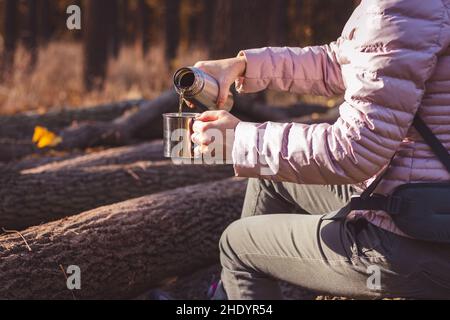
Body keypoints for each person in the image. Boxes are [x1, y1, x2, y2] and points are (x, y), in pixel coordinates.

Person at [190, 0, 450, 300]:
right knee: (269, 176)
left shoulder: (402, 6)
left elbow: (355, 150)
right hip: (421, 209)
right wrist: (244, 65)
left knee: (237, 244)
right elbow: (345, 61)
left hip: (415, 240)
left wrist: (242, 139)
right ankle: (227, 295)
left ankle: (235, 284)